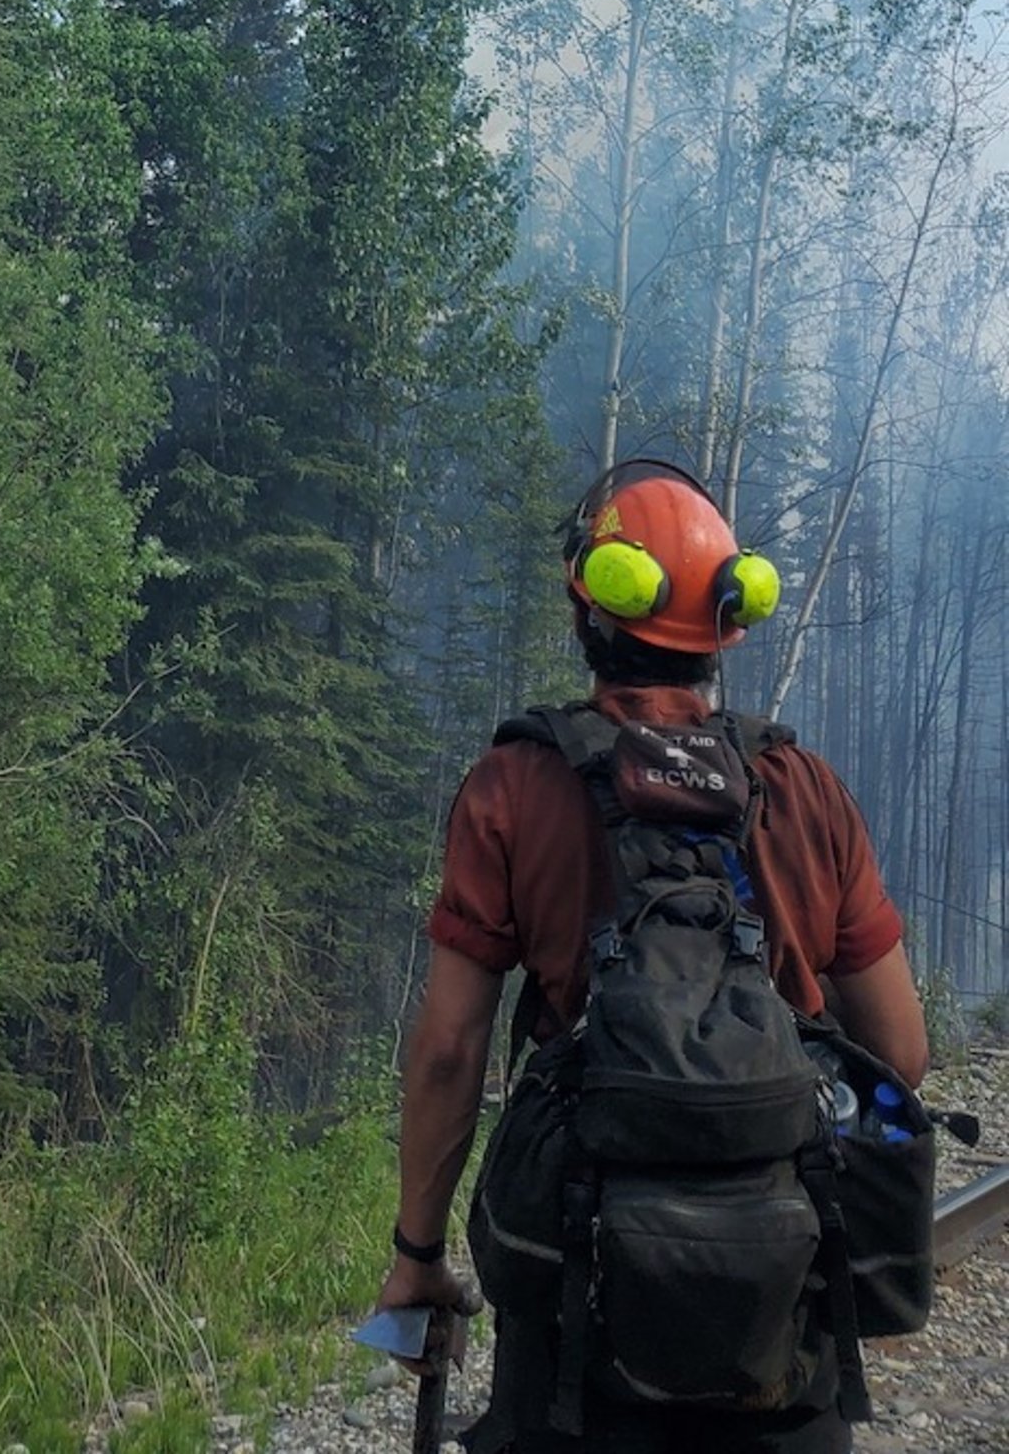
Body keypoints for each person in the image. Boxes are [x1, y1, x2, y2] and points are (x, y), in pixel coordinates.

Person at [372, 461, 928, 1454]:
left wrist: (418, 1252)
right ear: (726, 626)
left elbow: (451, 1050)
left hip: (576, 1338)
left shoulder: (513, 786)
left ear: (585, 607)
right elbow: (899, 1054)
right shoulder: (804, 788)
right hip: (781, 1327)